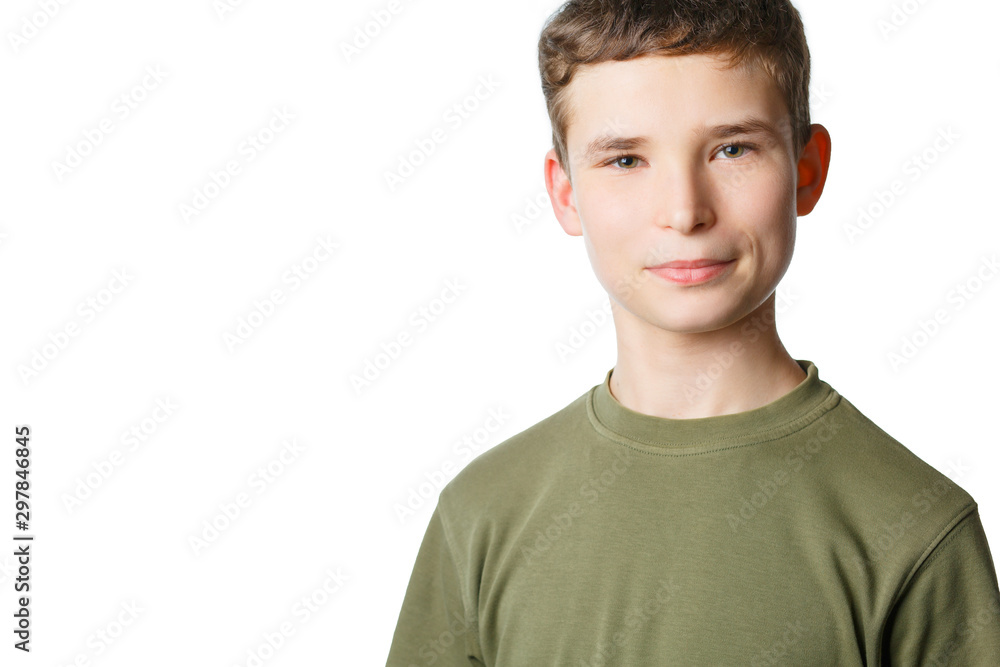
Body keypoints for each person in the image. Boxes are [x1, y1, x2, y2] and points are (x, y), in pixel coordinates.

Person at [385, 0, 1000, 664]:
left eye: (733, 148)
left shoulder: (915, 526)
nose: (683, 210)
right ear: (565, 193)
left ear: (807, 168)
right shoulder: (482, 515)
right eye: (625, 160)